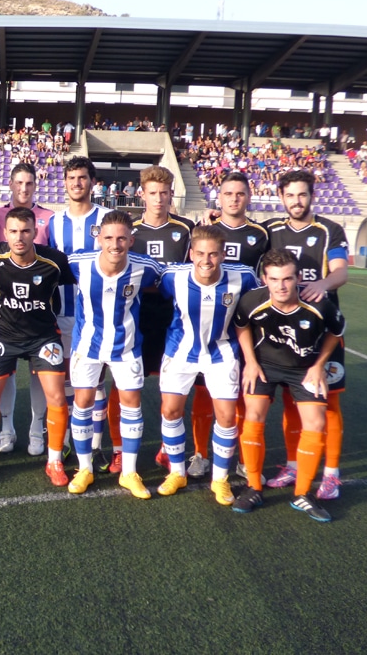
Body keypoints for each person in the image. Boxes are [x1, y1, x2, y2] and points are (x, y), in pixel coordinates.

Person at [233, 249, 345, 522]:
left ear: (298, 278)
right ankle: (253, 487)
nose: (281, 285)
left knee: (316, 423)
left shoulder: (320, 304)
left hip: (304, 369)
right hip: (265, 365)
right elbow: (242, 326)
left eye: (287, 279)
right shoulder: (251, 301)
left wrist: (319, 366)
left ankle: (302, 493)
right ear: (264, 279)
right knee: (253, 417)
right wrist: (250, 361)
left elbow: (336, 332)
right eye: (274, 279)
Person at [155, 224, 258, 504]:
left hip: (222, 353)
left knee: (226, 417)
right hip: (180, 352)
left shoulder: (243, 277)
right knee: (170, 410)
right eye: (200, 253)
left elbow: (260, 306)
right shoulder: (172, 277)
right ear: (190, 253)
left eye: (213, 254)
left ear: (223, 255)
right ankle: (177, 472)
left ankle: (220, 479)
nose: (206, 260)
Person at [263, 169, 349, 500]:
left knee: (328, 403)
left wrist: (322, 284)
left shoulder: (329, 230)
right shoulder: (271, 229)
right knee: (290, 399)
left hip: (321, 328)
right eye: (290, 195)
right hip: (283, 330)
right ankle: (292, 464)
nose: (296, 201)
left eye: (302, 194)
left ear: (312, 195)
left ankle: (331, 474)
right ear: (281, 197)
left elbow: (341, 271)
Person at [66, 210, 163, 496]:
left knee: (131, 405)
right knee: (82, 403)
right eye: (109, 237)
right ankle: (84, 468)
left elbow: (175, 279)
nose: (115, 244)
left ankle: (130, 473)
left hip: (127, 347)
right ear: (98, 238)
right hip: (87, 346)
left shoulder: (146, 267)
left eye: (122, 238)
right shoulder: (77, 263)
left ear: (131, 240)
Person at [0, 208, 77, 487]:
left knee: (57, 396)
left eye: (25, 231)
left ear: (35, 231)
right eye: (13, 231)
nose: (19, 237)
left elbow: (87, 273)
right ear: (5, 233)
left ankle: (55, 460)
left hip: (43, 337)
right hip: (5, 336)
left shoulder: (54, 261)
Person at [107, 165, 194, 474]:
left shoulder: (186, 229)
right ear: (142, 194)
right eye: (153, 193)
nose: (159, 199)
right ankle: (119, 450)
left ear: (172, 194)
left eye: (164, 193)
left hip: (173, 320)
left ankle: (167, 448)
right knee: (123, 386)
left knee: (172, 389)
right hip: (135, 318)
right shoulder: (129, 230)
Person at [185, 171, 270, 478]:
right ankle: (199, 453)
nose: (234, 199)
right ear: (218, 197)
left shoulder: (261, 233)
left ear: (248, 197)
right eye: (228, 193)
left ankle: (244, 459)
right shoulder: (204, 229)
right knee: (204, 394)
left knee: (242, 394)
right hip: (209, 325)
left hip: (246, 324)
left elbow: (266, 277)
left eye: (240, 194)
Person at [48, 157, 110, 463]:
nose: (76, 183)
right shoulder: (54, 223)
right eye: (71, 177)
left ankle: (96, 445)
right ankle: (72, 438)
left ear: (92, 182)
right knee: (69, 380)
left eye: (82, 177)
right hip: (62, 311)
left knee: (96, 381)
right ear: (65, 182)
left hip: (98, 314)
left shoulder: (108, 218)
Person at [0, 163, 54, 455]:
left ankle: (36, 429)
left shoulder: (49, 218)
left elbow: (56, 263)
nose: (24, 188)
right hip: (5, 311)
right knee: (5, 372)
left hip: (40, 312)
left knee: (38, 373)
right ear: (11, 184)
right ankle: (7, 429)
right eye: (19, 183)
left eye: (29, 183)